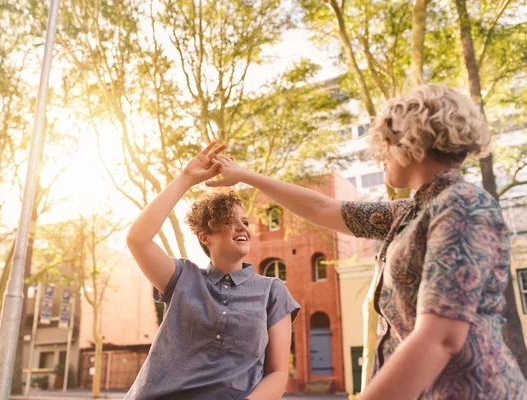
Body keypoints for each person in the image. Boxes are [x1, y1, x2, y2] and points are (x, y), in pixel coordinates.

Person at [207, 84, 527, 399]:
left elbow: (441, 337)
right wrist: (245, 175)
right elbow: (323, 208)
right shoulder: (411, 212)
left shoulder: (462, 205)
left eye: (385, 144)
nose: (379, 157)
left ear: (411, 142)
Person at [124, 142, 300, 400]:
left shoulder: (272, 291)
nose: (242, 228)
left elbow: (277, 375)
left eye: (245, 221)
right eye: (230, 222)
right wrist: (185, 179)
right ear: (205, 237)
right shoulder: (182, 277)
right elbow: (137, 239)